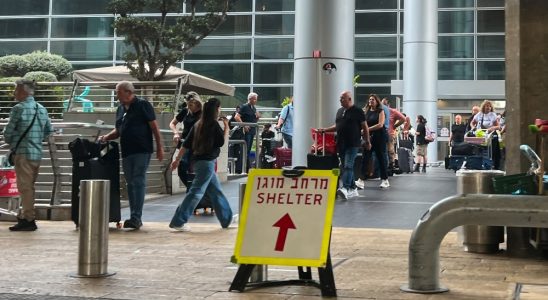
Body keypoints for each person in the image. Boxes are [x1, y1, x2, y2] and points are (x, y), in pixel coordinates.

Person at [99, 81, 164, 230]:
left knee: (138, 181)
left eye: (118, 92)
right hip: (127, 151)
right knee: (130, 183)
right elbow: (118, 131)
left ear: (128, 92)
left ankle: (136, 217)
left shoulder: (143, 105)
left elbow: (154, 127)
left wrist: (159, 147)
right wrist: (106, 137)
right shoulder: (120, 109)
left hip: (142, 149)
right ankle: (134, 216)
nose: (116, 95)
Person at [169, 98, 234, 231]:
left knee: (216, 192)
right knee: (196, 192)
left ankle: (226, 219)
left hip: (198, 162)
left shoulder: (198, 124)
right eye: (219, 108)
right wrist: (227, 126)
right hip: (207, 163)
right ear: (216, 110)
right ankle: (178, 221)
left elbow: (185, 144)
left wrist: (177, 160)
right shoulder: (213, 125)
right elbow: (221, 142)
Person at [4, 79, 53, 231]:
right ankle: (25, 215)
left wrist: (13, 141)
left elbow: (7, 133)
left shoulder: (18, 108)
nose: (14, 93)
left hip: (23, 153)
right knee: (29, 186)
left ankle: (28, 219)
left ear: (24, 92)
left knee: (25, 187)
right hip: (36, 153)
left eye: (16, 90)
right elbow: (48, 131)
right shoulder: (42, 109)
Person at [318, 91, 370, 200]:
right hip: (341, 143)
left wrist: (367, 141)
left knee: (348, 165)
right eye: (340, 98)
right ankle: (353, 188)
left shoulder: (358, 111)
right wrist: (325, 130)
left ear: (349, 99)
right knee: (345, 166)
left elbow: (365, 127)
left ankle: (345, 188)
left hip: (353, 143)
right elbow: (338, 126)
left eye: (342, 98)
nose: (340, 100)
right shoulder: (339, 111)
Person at [169, 91, 203, 191]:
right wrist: (175, 133)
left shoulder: (203, 113)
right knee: (181, 170)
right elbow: (172, 123)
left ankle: (193, 192)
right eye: (187, 104)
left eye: (191, 105)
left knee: (193, 170)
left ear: (197, 103)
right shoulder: (185, 111)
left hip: (196, 145)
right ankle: (193, 190)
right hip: (184, 143)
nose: (189, 107)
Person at [356, 94, 390, 189]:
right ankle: (361, 180)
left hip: (380, 137)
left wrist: (367, 129)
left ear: (377, 101)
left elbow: (380, 124)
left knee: (381, 158)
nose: (371, 101)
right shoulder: (366, 111)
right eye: (370, 99)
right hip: (369, 138)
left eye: (373, 99)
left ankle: (385, 180)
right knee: (365, 157)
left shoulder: (380, 111)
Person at [471, 99, 501, 170]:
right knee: (479, 151)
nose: (488, 108)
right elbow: (472, 122)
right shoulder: (479, 114)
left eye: (489, 106)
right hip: (481, 136)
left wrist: (492, 128)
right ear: (483, 107)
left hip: (491, 136)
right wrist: (473, 127)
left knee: (492, 153)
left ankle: (493, 166)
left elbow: (498, 126)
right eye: (487, 106)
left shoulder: (493, 115)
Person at [234, 92, 260, 169]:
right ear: (250, 99)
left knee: (248, 151)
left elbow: (254, 121)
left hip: (252, 131)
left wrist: (258, 117)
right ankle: (241, 168)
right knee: (245, 150)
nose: (256, 101)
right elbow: (237, 117)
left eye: (256, 99)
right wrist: (244, 125)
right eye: (254, 99)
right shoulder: (244, 107)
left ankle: (246, 167)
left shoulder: (254, 108)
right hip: (246, 132)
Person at [381, 98, 405, 170]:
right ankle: (385, 165)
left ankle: (391, 165)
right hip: (381, 133)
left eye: (385, 104)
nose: (383, 105)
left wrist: (395, 126)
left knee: (390, 150)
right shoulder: (379, 110)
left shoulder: (392, 111)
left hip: (389, 133)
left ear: (388, 104)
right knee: (383, 150)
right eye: (382, 103)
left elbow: (403, 118)